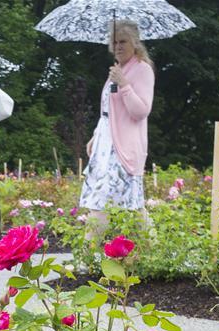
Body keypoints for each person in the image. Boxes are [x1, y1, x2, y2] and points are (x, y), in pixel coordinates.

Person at [79, 20, 155, 242]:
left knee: (103, 201)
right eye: (114, 42)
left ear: (135, 43)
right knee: (133, 206)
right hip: (106, 143)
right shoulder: (118, 69)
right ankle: (158, 250)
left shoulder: (142, 70)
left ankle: (86, 253)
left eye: (123, 41)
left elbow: (140, 111)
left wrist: (124, 84)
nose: (118, 46)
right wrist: (96, 135)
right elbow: (108, 110)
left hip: (123, 148)